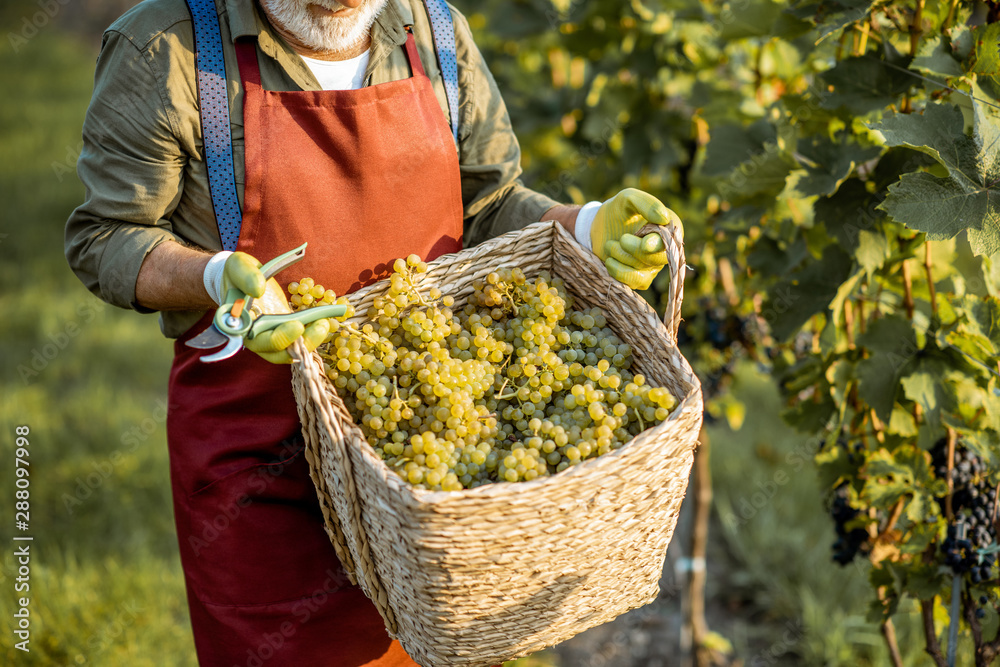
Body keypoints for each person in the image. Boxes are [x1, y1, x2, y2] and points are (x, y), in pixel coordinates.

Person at [64, 0, 681, 664]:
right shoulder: (169, 49)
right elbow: (107, 235)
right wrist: (215, 277)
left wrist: (585, 227)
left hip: (428, 477)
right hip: (260, 465)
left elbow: (491, 203)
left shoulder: (436, 33)